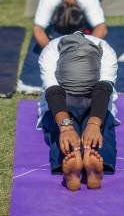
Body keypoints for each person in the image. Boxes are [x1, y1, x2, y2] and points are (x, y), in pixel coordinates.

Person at [37, 31, 118, 191]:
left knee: (102, 131)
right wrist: (66, 128)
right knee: (60, 134)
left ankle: (93, 168)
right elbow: (54, 92)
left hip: (95, 102)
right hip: (61, 103)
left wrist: (94, 124)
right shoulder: (49, 54)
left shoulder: (106, 53)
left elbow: (103, 90)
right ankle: (72, 169)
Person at [33, 0, 107, 49]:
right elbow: (38, 28)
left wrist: (86, 49)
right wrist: (51, 51)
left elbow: (101, 27)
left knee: (89, 32)